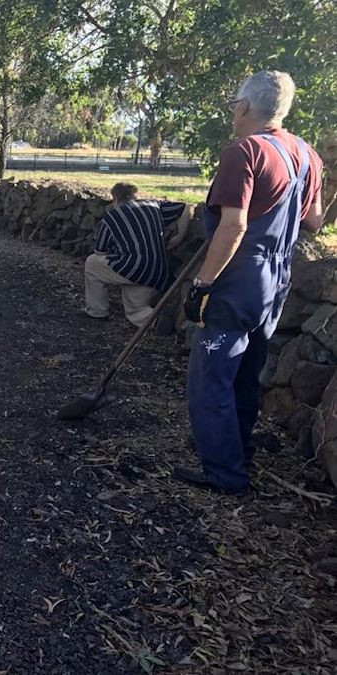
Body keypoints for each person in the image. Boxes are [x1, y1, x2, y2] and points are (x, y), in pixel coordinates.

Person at [174, 70, 324, 495]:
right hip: (276, 282)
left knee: (211, 378)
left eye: (233, 106)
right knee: (246, 371)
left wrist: (203, 284)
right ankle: (234, 447)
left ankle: (224, 473)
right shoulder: (306, 154)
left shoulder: (245, 153)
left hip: (238, 277)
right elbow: (312, 222)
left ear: (244, 107)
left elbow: (234, 226)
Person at [84, 182, 191, 326]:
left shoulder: (112, 218)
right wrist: (179, 237)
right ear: (135, 195)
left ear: (115, 199)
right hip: (158, 271)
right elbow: (184, 208)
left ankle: (97, 312)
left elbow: (100, 252)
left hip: (135, 269)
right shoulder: (153, 206)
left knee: (92, 263)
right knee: (135, 309)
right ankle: (159, 321)